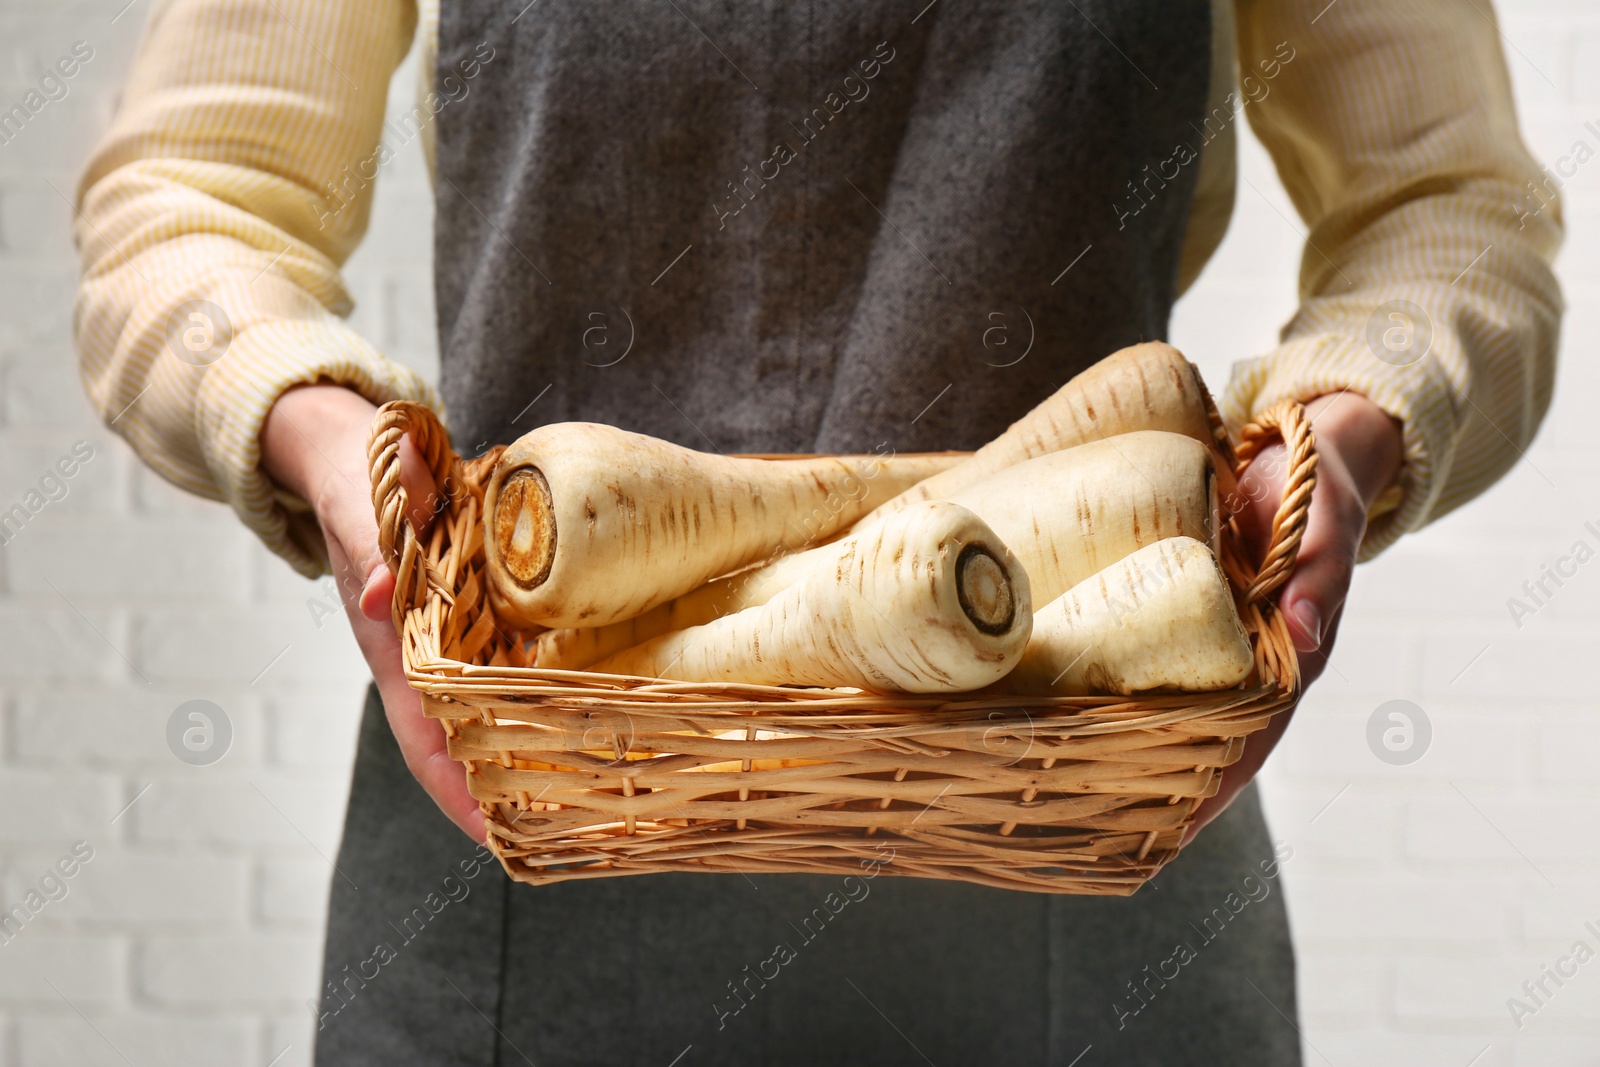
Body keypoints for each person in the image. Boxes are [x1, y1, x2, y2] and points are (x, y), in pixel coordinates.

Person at [74, 0, 1561, 1063]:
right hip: (519, 812)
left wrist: (1339, 438)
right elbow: (189, 202)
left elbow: (1453, 215)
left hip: (1092, 818)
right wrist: (329, 442)